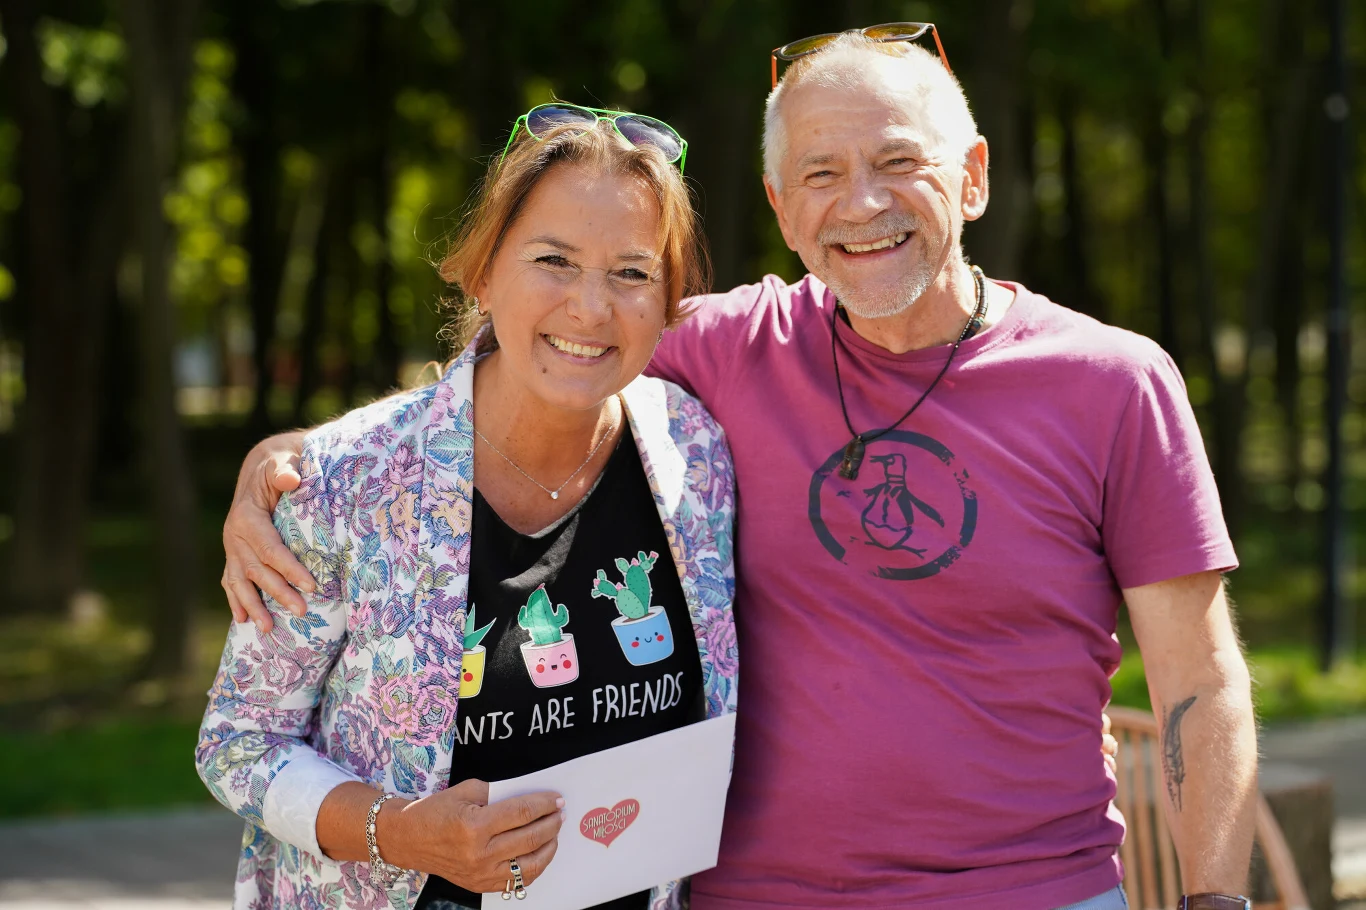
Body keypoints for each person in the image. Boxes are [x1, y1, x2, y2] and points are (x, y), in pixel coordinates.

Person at [221, 27, 1257, 910]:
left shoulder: (1113, 384)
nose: (860, 203)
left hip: (1032, 890)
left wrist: (1216, 898)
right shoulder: (723, 351)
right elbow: (541, 350)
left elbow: (1199, 680)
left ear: (974, 176)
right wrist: (291, 462)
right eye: (819, 174)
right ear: (778, 203)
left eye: (897, 161)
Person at [197, 109, 739, 910]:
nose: (592, 308)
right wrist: (399, 831)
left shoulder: (696, 453)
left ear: (669, 300)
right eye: (554, 260)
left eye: (632, 272)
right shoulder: (348, 481)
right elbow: (239, 744)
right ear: (484, 272)